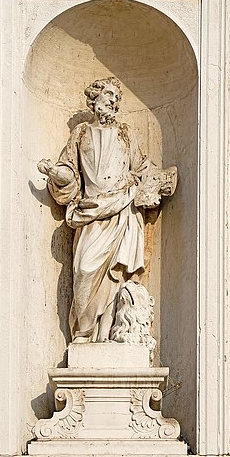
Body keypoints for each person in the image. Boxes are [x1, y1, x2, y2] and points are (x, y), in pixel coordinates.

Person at [38, 77, 174, 343]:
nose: (113, 101)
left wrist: (161, 181)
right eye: (109, 95)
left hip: (123, 208)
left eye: (116, 98)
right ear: (95, 99)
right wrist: (54, 172)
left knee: (118, 275)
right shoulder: (80, 133)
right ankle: (84, 331)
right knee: (84, 269)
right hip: (91, 212)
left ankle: (108, 333)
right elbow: (69, 171)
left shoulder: (125, 133)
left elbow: (143, 167)